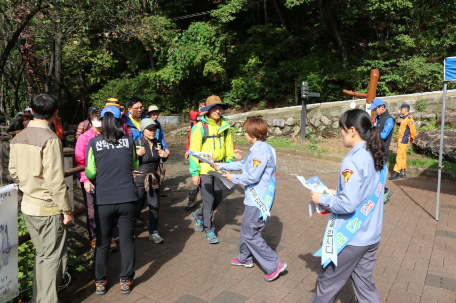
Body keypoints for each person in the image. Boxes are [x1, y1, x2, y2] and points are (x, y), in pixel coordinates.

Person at [309, 109, 387, 303]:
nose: (340, 134)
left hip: (352, 238)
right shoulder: (375, 155)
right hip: (371, 234)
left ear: (352, 130)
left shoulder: (351, 161)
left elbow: (348, 204)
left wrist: (323, 200)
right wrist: (337, 192)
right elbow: (367, 191)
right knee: (365, 287)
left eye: (341, 129)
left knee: (326, 285)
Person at [9, 93, 73, 303]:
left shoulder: (18, 137)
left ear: (32, 111)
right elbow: (55, 181)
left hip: (28, 205)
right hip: (48, 208)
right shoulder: (50, 139)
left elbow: (13, 172)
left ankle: (40, 297)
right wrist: (66, 210)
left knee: (42, 255)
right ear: (55, 114)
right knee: (51, 258)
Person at [213, 117, 287, 282]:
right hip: (254, 197)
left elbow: (251, 176)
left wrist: (233, 178)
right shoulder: (259, 148)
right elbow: (243, 164)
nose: (244, 134)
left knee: (250, 232)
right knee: (248, 228)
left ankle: (274, 265)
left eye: (246, 131)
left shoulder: (260, 151)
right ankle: (245, 257)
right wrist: (221, 165)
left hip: (257, 198)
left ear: (252, 134)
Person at [85, 105, 139, 295]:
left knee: (102, 242)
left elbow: (90, 172)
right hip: (127, 198)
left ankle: (100, 282)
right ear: (118, 121)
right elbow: (134, 163)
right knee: (126, 241)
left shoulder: (93, 143)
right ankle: (126, 280)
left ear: (102, 121)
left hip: (104, 199)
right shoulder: (128, 141)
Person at [189, 95, 235, 244]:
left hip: (220, 168)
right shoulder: (199, 127)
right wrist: (195, 173)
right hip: (205, 169)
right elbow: (194, 152)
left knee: (218, 198)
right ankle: (209, 231)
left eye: (219, 108)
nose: (217, 111)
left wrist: (229, 167)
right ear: (208, 110)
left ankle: (198, 216)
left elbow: (229, 149)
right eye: (214, 108)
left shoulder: (225, 127)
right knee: (208, 201)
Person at [75, 109, 117, 252]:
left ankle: (107, 237)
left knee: (109, 209)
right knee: (92, 209)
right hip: (91, 179)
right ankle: (94, 237)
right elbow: (80, 161)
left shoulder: (108, 136)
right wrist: (85, 179)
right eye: (98, 126)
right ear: (91, 123)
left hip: (108, 178)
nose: (100, 129)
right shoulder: (84, 138)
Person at [134, 118, 169, 243]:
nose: (152, 132)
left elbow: (160, 160)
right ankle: (130, 231)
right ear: (143, 130)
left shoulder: (158, 143)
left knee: (154, 206)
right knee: (137, 206)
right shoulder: (136, 143)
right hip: (138, 179)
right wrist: (137, 154)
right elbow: (128, 162)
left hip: (153, 179)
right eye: (149, 129)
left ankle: (153, 232)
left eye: (154, 129)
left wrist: (165, 156)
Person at [368, 98, 394, 203]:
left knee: (378, 175)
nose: (374, 111)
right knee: (373, 174)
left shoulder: (389, 119)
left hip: (383, 152)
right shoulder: (377, 118)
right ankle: (380, 192)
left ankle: (385, 192)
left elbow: (384, 135)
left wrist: (371, 134)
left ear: (382, 107)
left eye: (375, 109)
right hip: (375, 150)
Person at [184, 99, 207, 210]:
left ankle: (207, 201)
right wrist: (188, 150)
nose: (200, 109)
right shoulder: (196, 122)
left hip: (208, 156)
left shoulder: (213, 123)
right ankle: (192, 199)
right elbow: (190, 138)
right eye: (199, 107)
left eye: (203, 107)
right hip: (197, 153)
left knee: (206, 178)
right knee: (195, 177)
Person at [389, 103, 416, 180]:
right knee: (403, 155)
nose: (400, 110)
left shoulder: (409, 118)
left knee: (399, 156)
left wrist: (412, 137)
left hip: (403, 139)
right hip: (402, 139)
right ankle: (402, 171)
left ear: (404, 109)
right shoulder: (405, 118)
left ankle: (396, 172)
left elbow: (413, 130)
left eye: (401, 109)